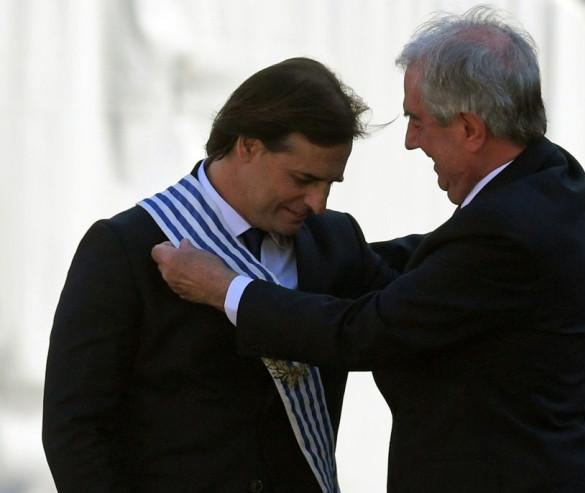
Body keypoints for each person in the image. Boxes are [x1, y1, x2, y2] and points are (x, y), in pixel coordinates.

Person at [151, 6, 585, 493]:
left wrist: (228, 289)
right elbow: (478, 300)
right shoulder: (549, 175)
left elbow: (369, 330)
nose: (410, 140)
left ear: (471, 129)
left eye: (418, 119)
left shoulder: (505, 227)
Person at [42, 57, 397, 493]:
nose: (318, 203)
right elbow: (75, 429)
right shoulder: (124, 247)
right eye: (303, 179)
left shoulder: (335, 241)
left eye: (330, 184)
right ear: (248, 145)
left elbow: (399, 322)